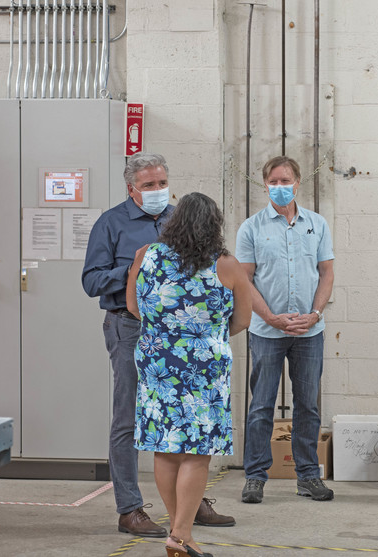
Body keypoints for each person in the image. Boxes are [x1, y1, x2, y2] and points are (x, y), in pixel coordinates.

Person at [82, 153, 235, 537]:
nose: (157, 191)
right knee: (131, 417)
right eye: (149, 185)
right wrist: (134, 268)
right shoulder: (111, 223)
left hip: (185, 337)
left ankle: (190, 503)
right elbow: (91, 282)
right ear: (131, 188)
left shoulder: (177, 219)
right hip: (131, 327)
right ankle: (129, 508)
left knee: (187, 419)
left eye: (162, 183)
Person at [126, 192, 251, 557]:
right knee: (196, 453)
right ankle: (180, 535)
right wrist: (204, 334)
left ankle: (179, 532)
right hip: (204, 370)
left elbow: (133, 306)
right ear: (215, 225)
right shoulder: (226, 264)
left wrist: (166, 334)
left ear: (174, 221)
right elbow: (242, 319)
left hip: (156, 365)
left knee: (165, 450)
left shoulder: (146, 255)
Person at [235, 155, 335, 504]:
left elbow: (327, 272)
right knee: (261, 405)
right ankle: (255, 476)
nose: (280, 186)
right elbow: (244, 280)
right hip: (266, 331)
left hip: (309, 332)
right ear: (265, 185)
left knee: (307, 405)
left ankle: (308, 476)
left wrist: (315, 313)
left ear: (298, 182)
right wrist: (271, 317)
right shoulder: (251, 228)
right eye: (274, 181)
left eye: (286, 180)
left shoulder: (317, 225)